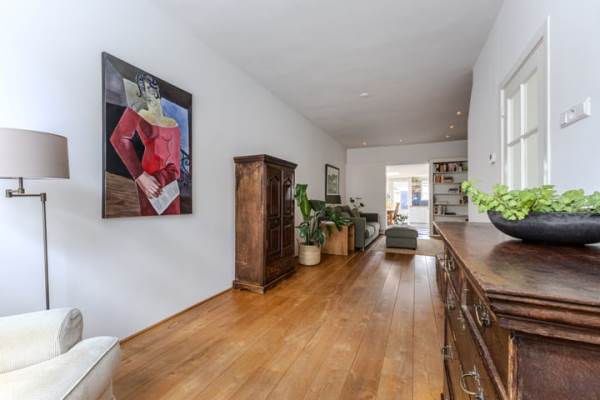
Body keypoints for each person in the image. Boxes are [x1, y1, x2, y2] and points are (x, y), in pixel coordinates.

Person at [110, 73, 181, 215]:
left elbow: (175, 157)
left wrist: (173, 176)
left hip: (171, 181)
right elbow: (118, 138)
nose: (149, 93)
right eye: (144, 89)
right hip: (150, 179)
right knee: (150, 218)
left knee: (174, 217)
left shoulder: (172, 122)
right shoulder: (139, 113)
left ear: (157, 92)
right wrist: (140, 176)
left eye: (152, 89)